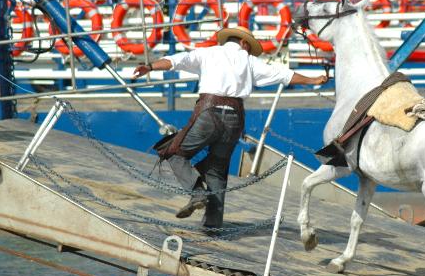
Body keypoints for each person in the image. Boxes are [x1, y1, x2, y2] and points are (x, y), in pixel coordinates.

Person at [132, 25, 327, 229]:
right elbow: (284, 75)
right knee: (217, 168)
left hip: (209, 114)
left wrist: (151, 67)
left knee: (174, 153)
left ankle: (197, 193)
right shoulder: (250, 61)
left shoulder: (207, 53)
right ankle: (213, 225)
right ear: (243, 42)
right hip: (235, 120)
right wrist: (313, 79)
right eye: (249, 46)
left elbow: (175, 61)